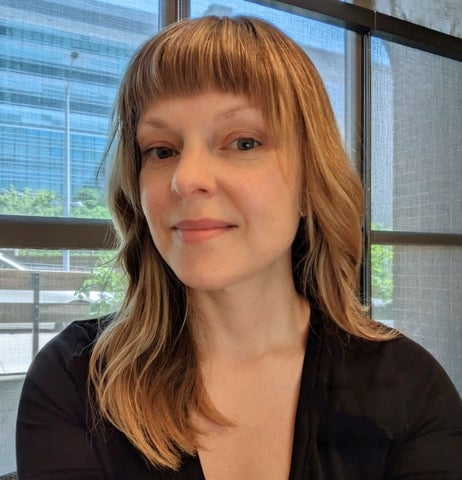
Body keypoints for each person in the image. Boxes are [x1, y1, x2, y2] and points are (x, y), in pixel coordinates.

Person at [16, 15, 462, 480]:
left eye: (243, 142)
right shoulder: (76, 382)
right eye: (161, 150)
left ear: (311, 180)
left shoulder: (411, 391)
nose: (185, 179)